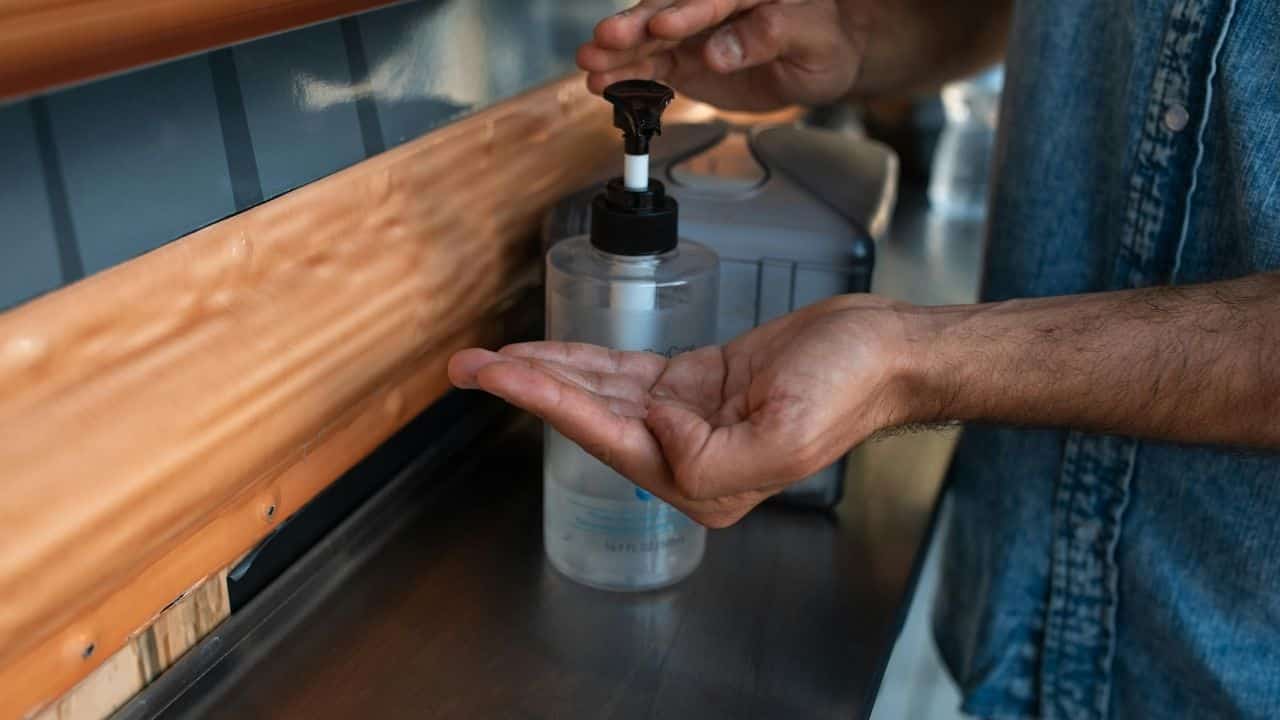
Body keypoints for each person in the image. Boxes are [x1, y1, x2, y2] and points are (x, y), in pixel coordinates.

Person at [450, 0, 1280, 716]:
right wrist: (856, 30)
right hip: (1028, 621)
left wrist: (911, 359)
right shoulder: (578, 263)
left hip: (1225, 662)